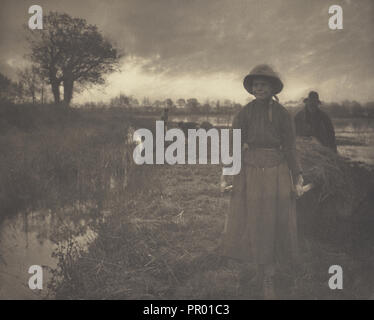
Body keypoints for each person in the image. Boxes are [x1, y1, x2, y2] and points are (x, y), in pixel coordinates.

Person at [220, 64, 304, 299]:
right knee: (253, 222)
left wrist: (297, 176)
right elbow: (235, 146)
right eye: (256, 85)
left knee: (273, 223)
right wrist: (227, 174)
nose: (259, 88)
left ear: (272, 88)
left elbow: (289, 147)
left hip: (277, 172)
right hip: (250, 173)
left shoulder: (283, 115)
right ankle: (257, 270)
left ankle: (270, 277)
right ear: (252, 88)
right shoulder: (244, 113)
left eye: (263, 85)